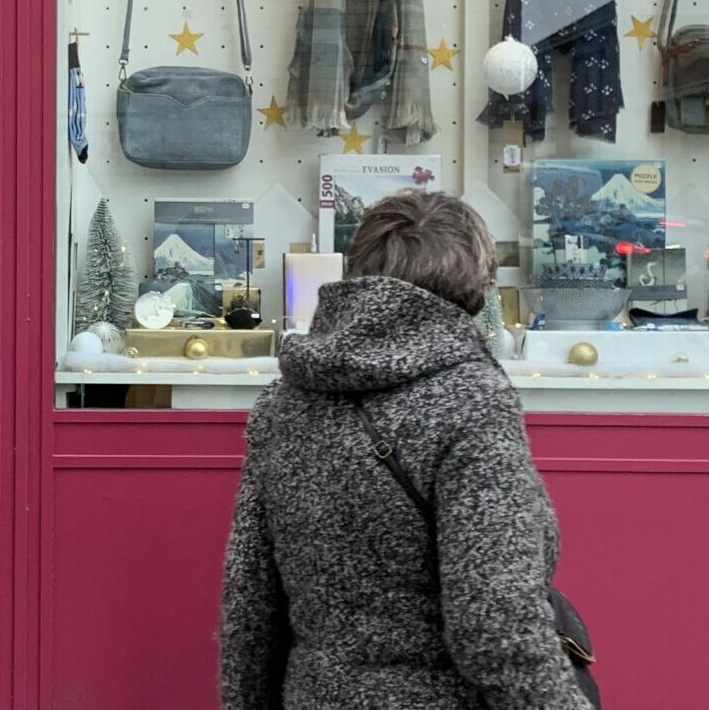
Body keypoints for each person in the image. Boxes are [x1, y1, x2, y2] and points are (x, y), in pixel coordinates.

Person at [219, 191, 590, 709]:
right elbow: (497, 627)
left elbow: (251, 607)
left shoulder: (284, 402)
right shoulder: (472, 400)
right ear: (475, 288)